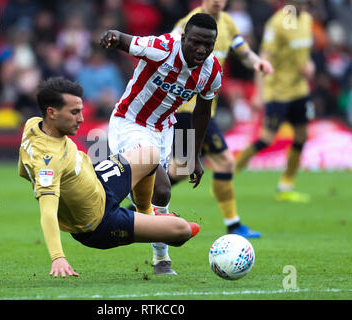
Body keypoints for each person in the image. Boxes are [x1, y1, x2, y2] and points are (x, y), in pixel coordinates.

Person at [17, 77, 200, 278]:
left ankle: (146, 213)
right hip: (100, 223)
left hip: (98, 181)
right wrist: (58, 257)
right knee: (182, 230)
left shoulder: (33, 125)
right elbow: (48, 212)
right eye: (75, 112)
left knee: (151, 154)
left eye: (81, 110)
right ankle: (156, 233)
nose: (81, 119)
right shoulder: (47, 162)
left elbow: (23, 169)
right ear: (51, 113)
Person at [149, 0, 273, 263]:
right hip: (186, 107)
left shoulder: (227, 23)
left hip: (205, 110)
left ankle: (138, 203)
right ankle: (233, 223)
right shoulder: (189, 23)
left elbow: (244, 51)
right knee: (216, 162)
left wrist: (258, 63)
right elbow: (167, 49)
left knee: (181, 169)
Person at [100, 13, 223, 275]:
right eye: (196, 43)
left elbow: (203, 112)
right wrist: (112, 37)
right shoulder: (162, 48)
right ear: (184, 37)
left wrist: (195, 154)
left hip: (163, 129)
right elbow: (126, 41)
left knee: (160, 194)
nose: (201, 49)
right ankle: (162, 257)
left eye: (208, 45)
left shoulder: (212, 71)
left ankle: (141, 219)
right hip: (130, 123)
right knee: (162, 186)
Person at [235, 0, 314, 203]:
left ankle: (286, 185)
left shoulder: (307, 20)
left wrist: (309, 65)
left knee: (302, 135)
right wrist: (258, 93)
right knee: (267, 139)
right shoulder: (277, 23)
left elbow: (304, 54)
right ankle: (228, 175)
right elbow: (264, 57)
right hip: (277, 91)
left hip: (299, 90)